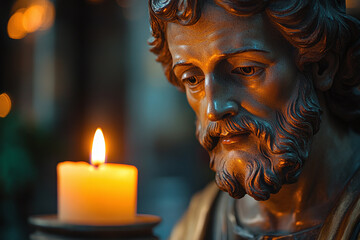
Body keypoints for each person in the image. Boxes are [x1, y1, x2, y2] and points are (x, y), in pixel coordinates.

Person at [148, 0, 360, 239]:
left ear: (322, 65)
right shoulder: (199, 223)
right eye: (193, 79)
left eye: (246, 69)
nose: (214, 108)